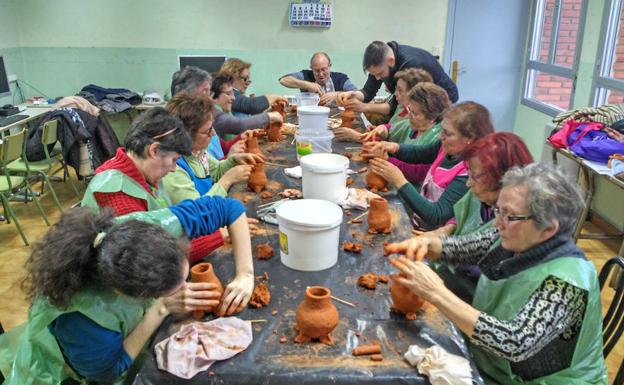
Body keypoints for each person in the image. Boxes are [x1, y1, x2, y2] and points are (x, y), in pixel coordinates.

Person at [385, 163, 607, 384]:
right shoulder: (512, 236)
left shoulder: (568, 282)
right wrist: (426, 244)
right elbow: (462, 248)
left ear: (549, 228)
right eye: (498, 210)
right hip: (491, 363)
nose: (498, 223)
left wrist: (436, 293)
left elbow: (513, 342)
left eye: (510, 216)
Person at [1, 202, 254, 384]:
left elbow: (229, 208)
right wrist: (161, 309)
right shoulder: (82, 320)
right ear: (128, 294)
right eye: (176, 288)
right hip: (60, 373)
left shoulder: (139, 234)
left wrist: (245, 274)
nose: (184, 288)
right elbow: (108, 372)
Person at [81, 108, 228, 263]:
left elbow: (170, 221)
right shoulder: (117, 194)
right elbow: (149, 257)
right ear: (154, 150)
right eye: (174, 160)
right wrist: (215, 236)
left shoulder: (145, 173)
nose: (173, 168)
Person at [416, 132, 533, 302]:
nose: (468, 183)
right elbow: (468, 234)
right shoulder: (483, 197)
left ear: (502, 178)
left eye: (474, 176)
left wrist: (437, 293)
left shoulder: (517, 226)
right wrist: (444, 231)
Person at [363, 102, 494, 229]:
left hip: (434, 239)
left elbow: (436, 215)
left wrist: (399, 180)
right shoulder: (445, 146)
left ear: (469, 138)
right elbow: (419, 153)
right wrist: (393, 147)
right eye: (442, 130)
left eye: (448, 133)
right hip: (418, 222)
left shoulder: (468, 172)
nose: (440, 136)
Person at [163, 91, 264, 203]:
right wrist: (227, 180)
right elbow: (196, 211)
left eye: (212, 128)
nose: (213, 134)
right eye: (207, 131)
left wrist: (234, 160)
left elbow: (216, 171)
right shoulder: (172, 169)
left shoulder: (197, 152)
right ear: (185, 135)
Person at [170, 66, 281, 159]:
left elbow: (222, 148)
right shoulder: (186, 135)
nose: (209, 97)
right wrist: (229, 159)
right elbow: (209, 173)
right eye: (206, 92)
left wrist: (241, 137)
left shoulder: (205, 118)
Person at [339, 41, 458, 116]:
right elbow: (368, 92)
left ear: (390, 61)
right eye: (374, 74)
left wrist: (364, 107)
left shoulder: (410, 65)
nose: (377, 78)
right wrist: (352, 94)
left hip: (441, 101)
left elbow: (396, 107)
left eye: (380, 73)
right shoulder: (380, 61)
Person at [335, 69, 437, 143]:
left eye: (400, 90)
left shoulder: (414, 118)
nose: (395, 93)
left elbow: (395, 147)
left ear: (413, 92)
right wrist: (379, 130)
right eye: (396, 89)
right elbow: (392, 131)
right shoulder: (401, 108)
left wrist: (357, 137)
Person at [211, 73, 282, 144]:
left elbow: (226, 145)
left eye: (233, 93)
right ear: (213, 95)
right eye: (228, 94)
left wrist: (244, 135)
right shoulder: (213, 115)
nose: (233, 97)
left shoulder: (224, 110)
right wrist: (269, 116)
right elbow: (240, 125)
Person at [279, 52, 359, 106]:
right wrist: (307, 85)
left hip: (336, 119)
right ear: (311, 68)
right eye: (317, 70)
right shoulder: (306, 75)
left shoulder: (340, 78)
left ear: (329, 66)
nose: (321, 74)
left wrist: (337, 94)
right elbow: (283, 80)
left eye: (324, 69)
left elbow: (358, 94)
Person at [220, 58, 286, 116]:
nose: (247, 83)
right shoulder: (226, 94)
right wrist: (275, 97)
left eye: (248, 79)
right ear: (232, 77)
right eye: (245, 79)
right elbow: (251, 105)